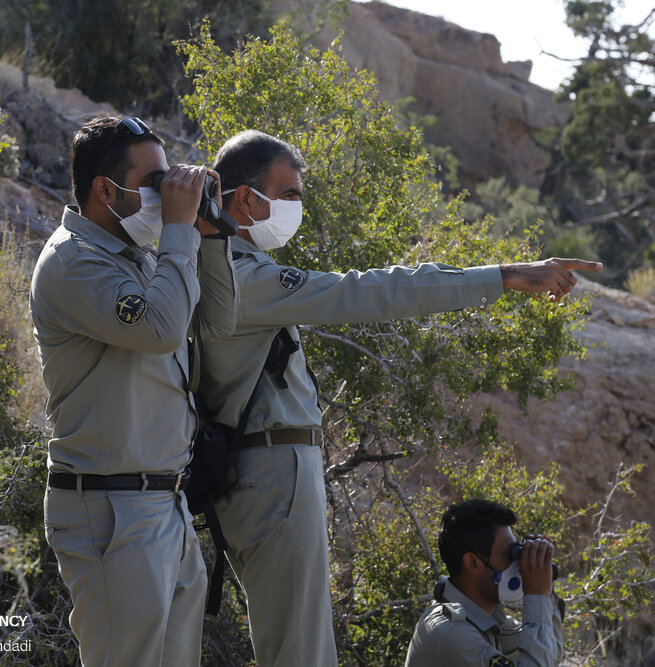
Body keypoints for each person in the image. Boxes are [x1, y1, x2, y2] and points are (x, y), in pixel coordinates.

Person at [198, 129, 600, 666]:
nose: (298, 206)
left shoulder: (229, 267)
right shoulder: (238, 274)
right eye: (290, 194)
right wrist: (503, 276)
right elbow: (371, 289)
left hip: (264, 472)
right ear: (246, 198)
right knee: (301, 653)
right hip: (272, 473)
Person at [29, 114, 237, 666]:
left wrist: (207, 233)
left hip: (162, 504)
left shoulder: (144, 257)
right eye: (155, 182)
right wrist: (178, 231)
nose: (170, 192)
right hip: (110, 510)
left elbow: (218, 324)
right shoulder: (74, 261)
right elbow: (161, 328)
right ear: (105, 189)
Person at [404, 499, 563, 667]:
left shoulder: (485, 619)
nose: (518, 565)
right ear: (472, 563)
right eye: (509, 554)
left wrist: (544, 583)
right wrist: (537, 596)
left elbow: (551, 655)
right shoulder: (452, 633)